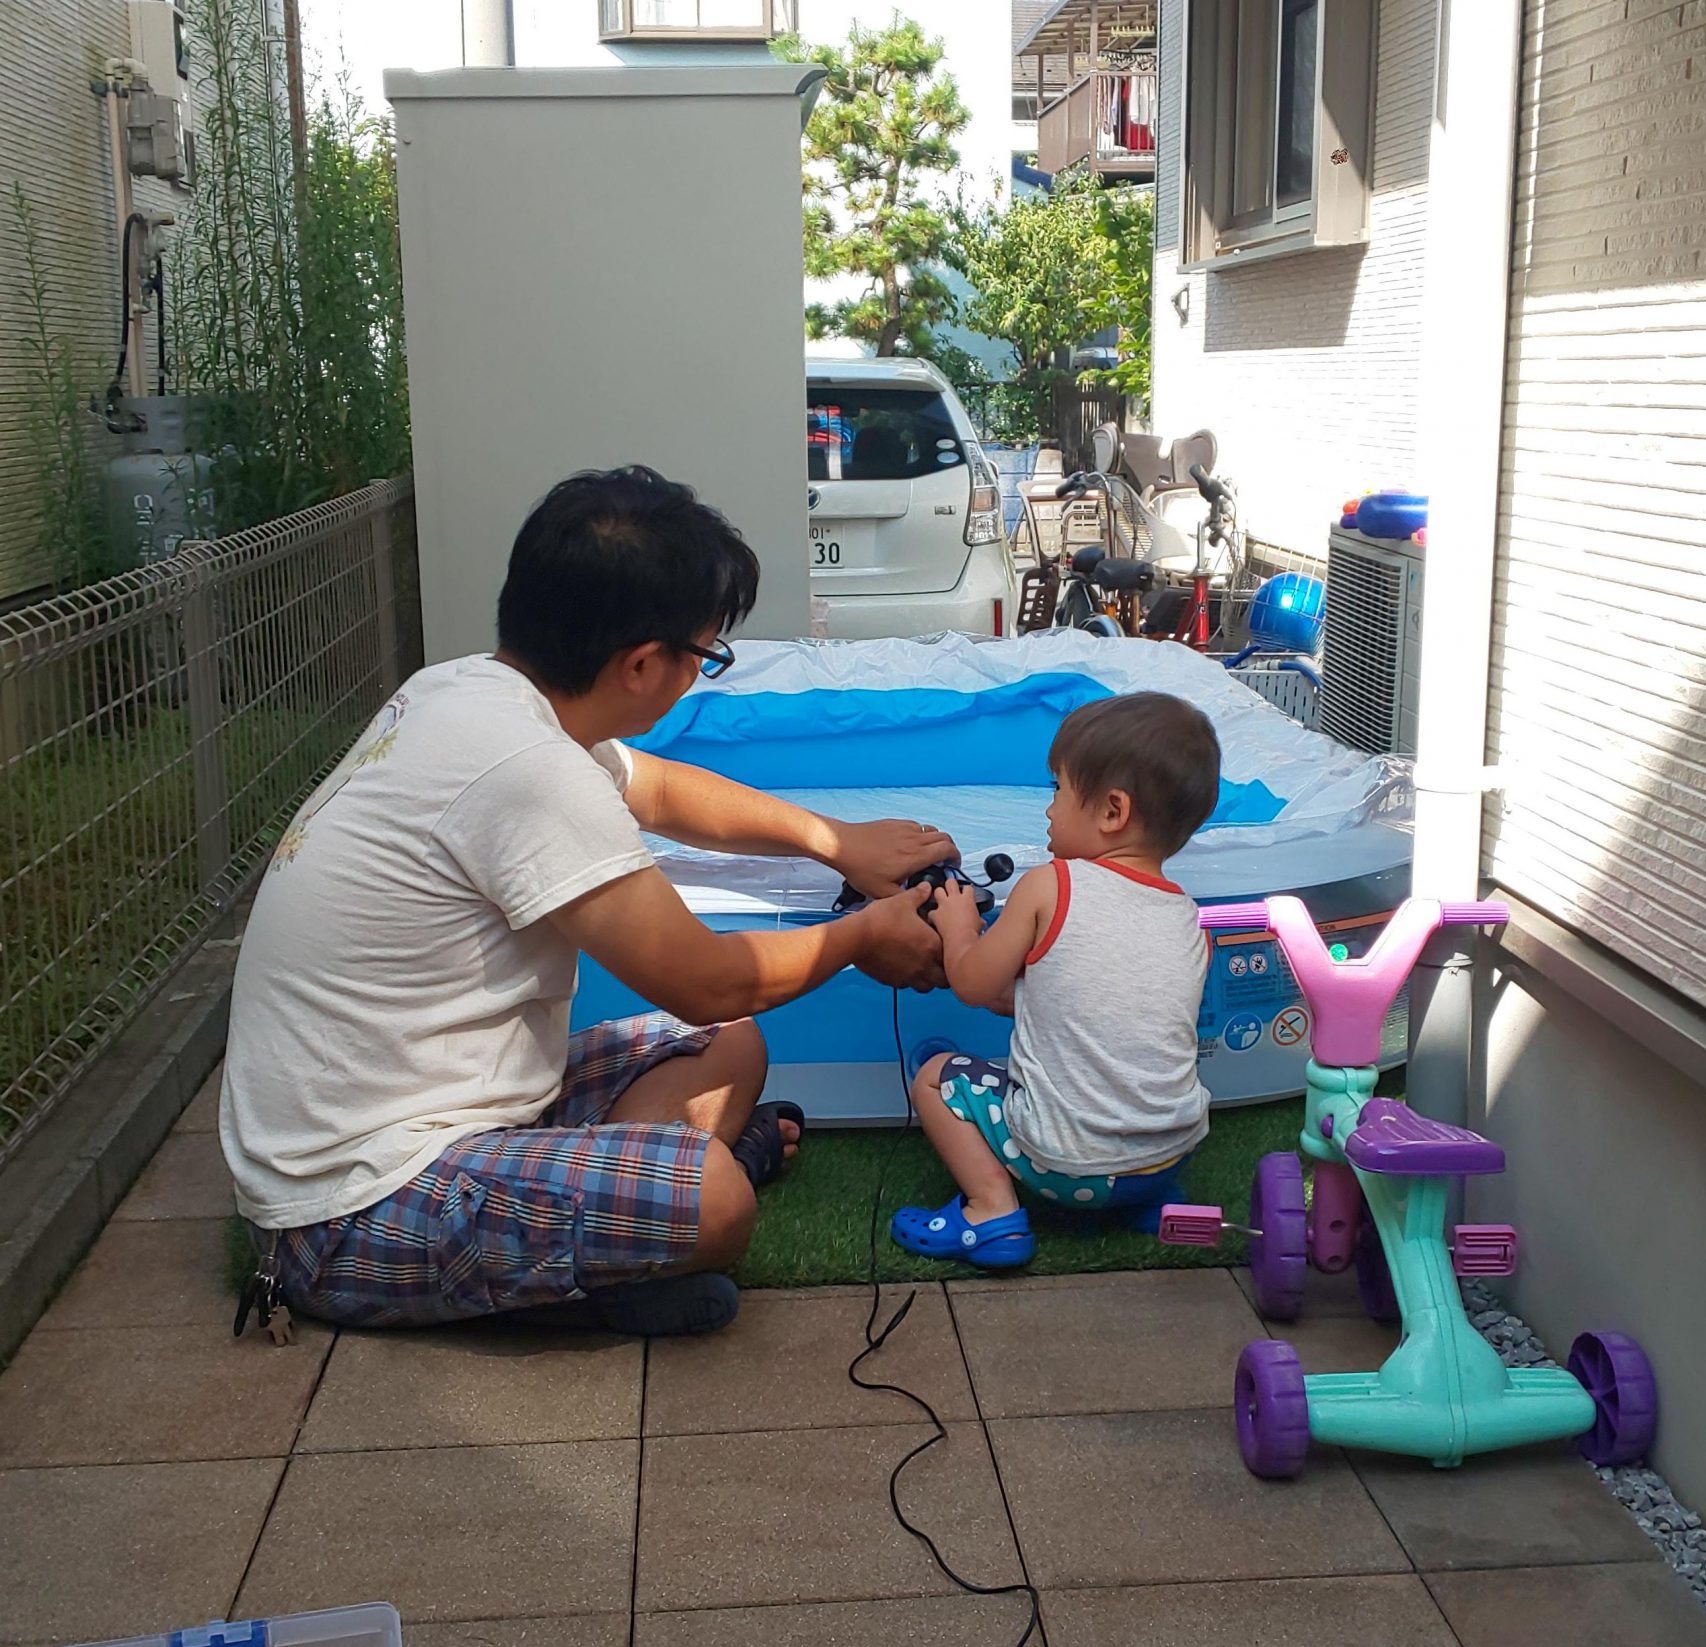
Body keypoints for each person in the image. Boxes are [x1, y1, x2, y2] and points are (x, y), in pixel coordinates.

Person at [221, 466, 950, 1339]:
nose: (701, 673)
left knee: (732, 1045)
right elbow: (705, 979)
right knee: (716, 1198)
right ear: (641, 664)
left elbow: (662, 791)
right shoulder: (527, 773)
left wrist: (836, 839)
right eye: (704, 655)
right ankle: (629, 1246)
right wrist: (860, 936)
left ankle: (620, 1227)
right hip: (350, 1204)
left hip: (459, 1106)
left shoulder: (467, 692)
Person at [890, 691, 1219, 1272]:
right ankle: (1146, 1202)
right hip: (1170, 1156)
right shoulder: (1187, 917)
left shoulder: (1052, 884)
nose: (1047, 809)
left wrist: (959, 926)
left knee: (937, 1077)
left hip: (1068, 1168)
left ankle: (991, 1212)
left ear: (1112, 811)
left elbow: (971, 984)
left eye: (1057, 789)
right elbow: (1096, 1008)